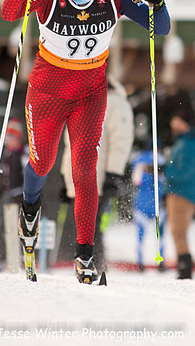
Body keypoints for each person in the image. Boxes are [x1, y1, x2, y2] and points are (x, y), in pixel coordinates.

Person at [1, 0, 170, 283]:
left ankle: (85, 256)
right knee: (43, 161)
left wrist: (157, 2)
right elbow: (9, 12)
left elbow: (161, 27)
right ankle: (29, 208)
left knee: (85, 170)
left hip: (90, 95)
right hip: (47, 93)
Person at [59, 75, 134, 270]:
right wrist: (65, 177)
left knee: (92, 225)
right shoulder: (79, 100)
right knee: (83, 224)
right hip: (78, 175)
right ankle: (86, 263)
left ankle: (96, 264)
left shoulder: (115, 101)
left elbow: (121, 140)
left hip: (98, 177)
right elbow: (70, 143)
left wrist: (113, 173)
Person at [164, 109, 195, 279]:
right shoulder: (185, 142)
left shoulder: (189, 144)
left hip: (182, 193)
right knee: (178, 231)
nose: (173, 126)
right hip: (181, 192)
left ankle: (185, 268)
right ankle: (184, 267)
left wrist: (165, 170)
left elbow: (185, 172)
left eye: (178, 122)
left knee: (179, 231)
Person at [0, 117, 26, 268]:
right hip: (9, 196)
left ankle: (23, 257)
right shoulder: (7, 154)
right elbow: (4, 177)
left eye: (13, 137)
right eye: (8, 137)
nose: (10, 141)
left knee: (22, 228)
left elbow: (28, 175)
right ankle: (6, 257)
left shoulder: (23, 152)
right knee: (9, 227)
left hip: (21, 196)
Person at [131, 142, 166, 271]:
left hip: (142, 202)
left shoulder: (138, 160)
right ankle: (160, 261)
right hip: (156, 202)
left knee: (141, 235)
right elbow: (165, 178)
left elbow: (136, 180)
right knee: (160, 235)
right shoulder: (160, 159)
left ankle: (140, 263)